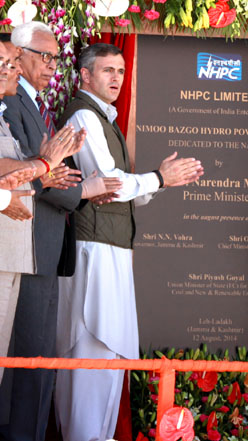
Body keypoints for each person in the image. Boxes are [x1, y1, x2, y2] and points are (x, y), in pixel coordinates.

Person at [53, 43, 203, 441]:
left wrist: (160, 181)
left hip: (110, 250)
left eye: (120, 71)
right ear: (84, 76)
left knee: (108, 361)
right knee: (90, 357)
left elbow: (120, 190)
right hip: (92, 250)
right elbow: (110, 184)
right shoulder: (84, 113)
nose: (117, 78)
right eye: (107, 71)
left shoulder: (102, 116)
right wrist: (158, 178)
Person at [0, 22, 119, 441]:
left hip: (42, 248)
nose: (52, 65)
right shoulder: (10, 104)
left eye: (56, 57)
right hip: (22, 246)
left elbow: (51, 170)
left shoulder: (33, 104)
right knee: (23, 364)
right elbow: (35, 172)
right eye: (44, 56)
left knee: (36, 362)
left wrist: (81, 189)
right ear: (17, 55)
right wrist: (82, 190)